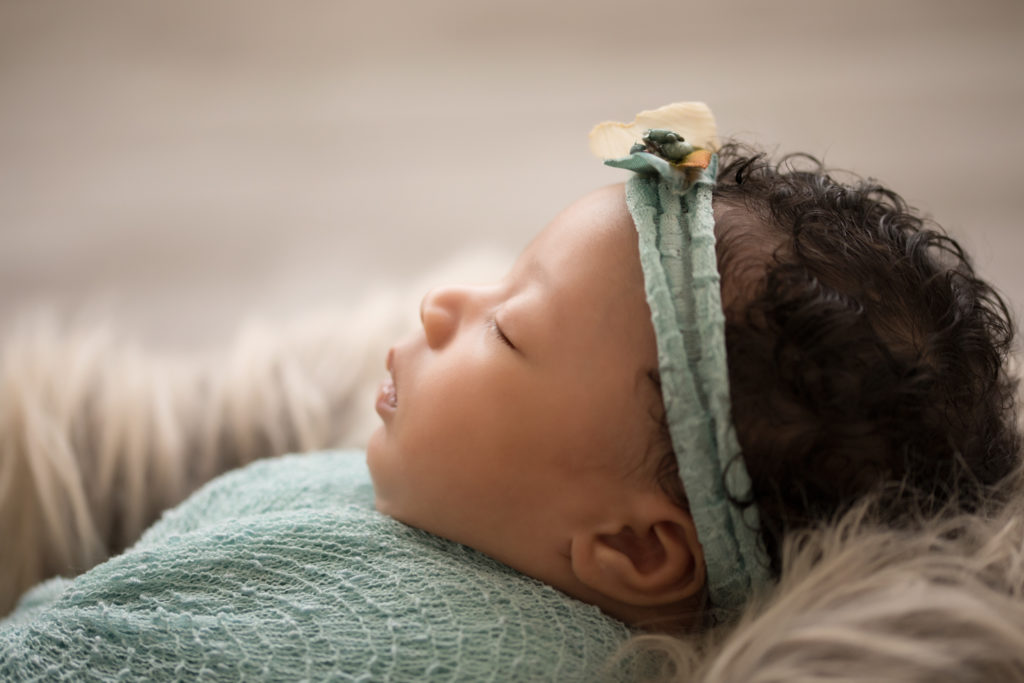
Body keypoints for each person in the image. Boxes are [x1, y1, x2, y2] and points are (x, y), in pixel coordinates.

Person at [1, 103, 1019, 679]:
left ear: (631, 546)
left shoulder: (473, 657)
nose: (445, 297)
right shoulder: (433, 497)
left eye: (505, 325)